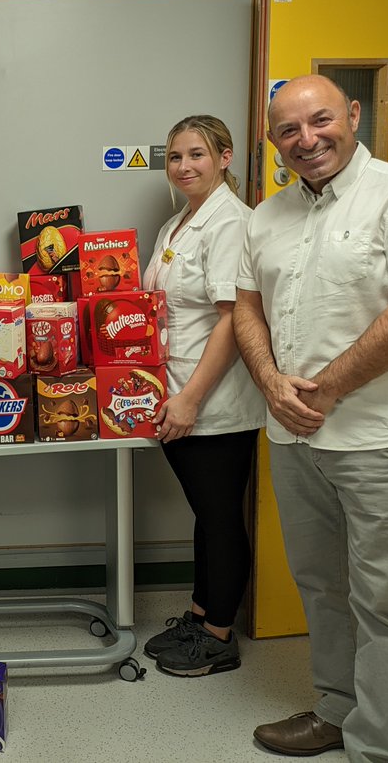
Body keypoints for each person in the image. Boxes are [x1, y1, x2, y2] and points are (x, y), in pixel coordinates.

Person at [234, 74, 388, 762]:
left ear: (353, 114)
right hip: (294, 440)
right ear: (273, 140)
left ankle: (374, 748)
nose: (307, 139)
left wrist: (324, 390)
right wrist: (268, 379)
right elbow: (246, 309)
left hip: (386, 440)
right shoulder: (265, 217)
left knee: (387, 604)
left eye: (320, 120)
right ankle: (336, 707)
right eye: (289, 130)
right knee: (322, 586)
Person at [139, 115, 265, 677]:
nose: (184, 166)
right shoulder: (178, 224)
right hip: (174, 392)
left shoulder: (230, 224)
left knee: (219, 515)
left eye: (196, 154)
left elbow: (234, 320)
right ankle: (200, 612)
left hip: (212, 402)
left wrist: (189, 399)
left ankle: (219, 637)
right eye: (174, 157)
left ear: (224, 157)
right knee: (204, 513)